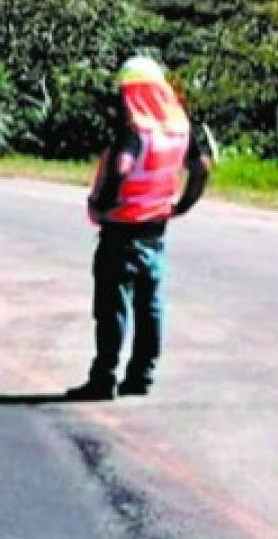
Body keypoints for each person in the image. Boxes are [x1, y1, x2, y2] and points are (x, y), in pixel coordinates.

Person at [67, 56, 211, 401]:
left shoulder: (135, 130)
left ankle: (103, 378)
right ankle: (142, 375)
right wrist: (184, 204)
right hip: (156, 227)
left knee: (113, 305)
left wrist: (103, 204)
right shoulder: (179, 127)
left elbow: (121, 165)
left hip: (121, 228)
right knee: (150, 304)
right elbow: (202, 167)